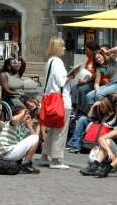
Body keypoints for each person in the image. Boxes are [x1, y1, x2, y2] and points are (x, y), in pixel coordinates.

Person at [40, 38, 74, 169]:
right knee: (60, 131)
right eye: (63, 46)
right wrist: (71, 75)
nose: (65, 48)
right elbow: (61, 81)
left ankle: (44, 156)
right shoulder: (58, 61)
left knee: (53, 130)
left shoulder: (50, 61)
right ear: (57, 48)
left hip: (51, 99)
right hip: (61, 101)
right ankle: (56, 159)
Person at [0, 106, 40, 174]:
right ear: (18, 115)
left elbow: (34, 141)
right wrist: (23, 112)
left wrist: (30, 125)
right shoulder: (13, 123)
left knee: (35, 138)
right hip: (8, 153)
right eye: (25, 114)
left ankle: (26, 164)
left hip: (10, 154)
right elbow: (14, 119)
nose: (27, 116)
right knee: (35, 138)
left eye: (27, 114)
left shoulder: (22, 126)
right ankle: (25, 165)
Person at [86, 46, 117, 112]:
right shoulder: (99, 68)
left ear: (103, 55)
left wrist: (107, 52)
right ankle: (93, 113)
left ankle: (102, 114)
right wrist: (97, 90)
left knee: (99, 94)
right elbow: (96, 83)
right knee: (89, 96)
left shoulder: (112, 59)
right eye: (96, 59)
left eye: (99, 57)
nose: (98, 60)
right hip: (110, 84)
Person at [71, 41, 99, 114]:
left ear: (92, 50)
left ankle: (84, 111)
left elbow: (96, 74)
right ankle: (75, 106)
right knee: (73, 88)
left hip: (94, 82)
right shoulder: (88, 60)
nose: (85, 51)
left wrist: (85, 81)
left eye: (87, 50)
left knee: (82, 90)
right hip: (87, 81)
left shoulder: (96, 59)